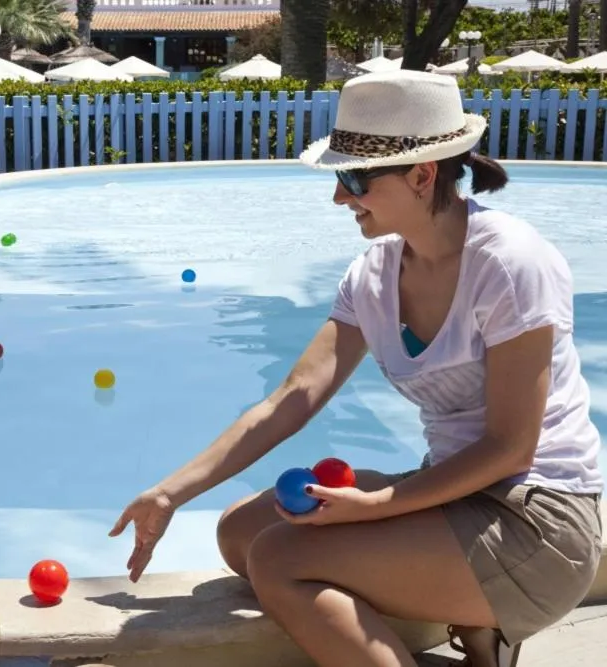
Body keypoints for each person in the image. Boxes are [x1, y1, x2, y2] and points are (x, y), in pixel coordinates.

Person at [109, 70, 603, 667]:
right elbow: (293, 396)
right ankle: (477, 622)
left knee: (278, 559)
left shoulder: (510, 263)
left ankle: (477, 614)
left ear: (422, 175)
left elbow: (510, 449)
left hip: (536, 518)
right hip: (451, 492)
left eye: (353, 178)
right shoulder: (372, 276)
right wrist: (169, 494)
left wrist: (377, 507)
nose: (340, 197)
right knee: (241, 534)